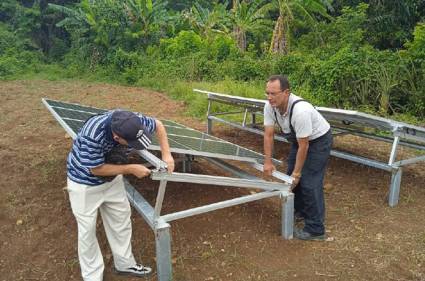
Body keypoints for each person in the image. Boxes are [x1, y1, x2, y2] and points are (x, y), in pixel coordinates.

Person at [66, 109, 174, 280]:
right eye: (131, 142)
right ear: (116, 138)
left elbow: (159, 124)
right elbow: (96, 169)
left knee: (121, 219)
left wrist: (167, 155)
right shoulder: (93, 135)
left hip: (112, 180)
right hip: (84, 184)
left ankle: (125, 264)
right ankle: (92, 276)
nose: (134, 145)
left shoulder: (131, 120)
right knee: (87, 231)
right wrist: (130, 169)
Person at [263, 75, 332, 241]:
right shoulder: (269, 106)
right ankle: (300, 211)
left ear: (286, 92)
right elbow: (268, 135)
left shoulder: (301, 111)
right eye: (267, 93)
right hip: (299, 140)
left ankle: (316, 229)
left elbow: (305, 146)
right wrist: (268, 161)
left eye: (274, 93)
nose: (269, 97)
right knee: (290, 177)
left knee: (309, 181)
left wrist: (298, 173)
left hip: (318, 141)